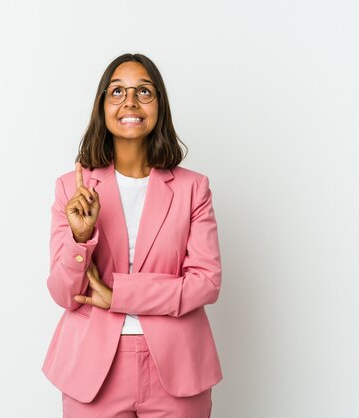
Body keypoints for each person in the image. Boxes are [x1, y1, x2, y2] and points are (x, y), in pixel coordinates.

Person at [42, 53, 223, 417]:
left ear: (159, 106)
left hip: (177, 366)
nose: (130, 102)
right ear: (102, 106)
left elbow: (206, 284)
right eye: (117, 91)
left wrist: (120, 296)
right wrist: (80, 237)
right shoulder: (71, 189)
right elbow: (65, 294)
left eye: (144, 91)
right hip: (92, 370)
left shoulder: (193, 188)